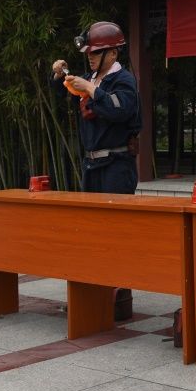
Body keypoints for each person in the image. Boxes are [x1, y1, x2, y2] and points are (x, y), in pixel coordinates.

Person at [52, 20, 143, 321]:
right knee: (92, 233)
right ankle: (94, 294)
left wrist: (91, 89)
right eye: (89, 53)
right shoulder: (92, 79)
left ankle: (118, 298)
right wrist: (60, 77)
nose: (90, 58)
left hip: (117, 164)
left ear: (113, 53)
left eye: (96, 52)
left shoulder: (123, 80)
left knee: (115, 233)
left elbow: (121, 110)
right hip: (92, 164)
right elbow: (65, 100)